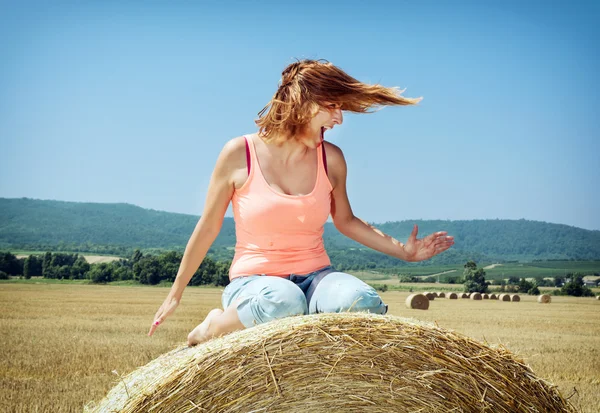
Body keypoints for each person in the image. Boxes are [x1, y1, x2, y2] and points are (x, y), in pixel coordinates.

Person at [147, 59, 454, 346]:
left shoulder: (331, 159)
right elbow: (209, 225)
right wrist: (175, 293)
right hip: (256, 284)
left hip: (316, 277)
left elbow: (346, 221)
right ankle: (214, 326)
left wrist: (405, 253)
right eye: (332, 106)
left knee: (360, 300)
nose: (339, 118)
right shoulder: (239, 154)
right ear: (302, 103)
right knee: (285, 300)